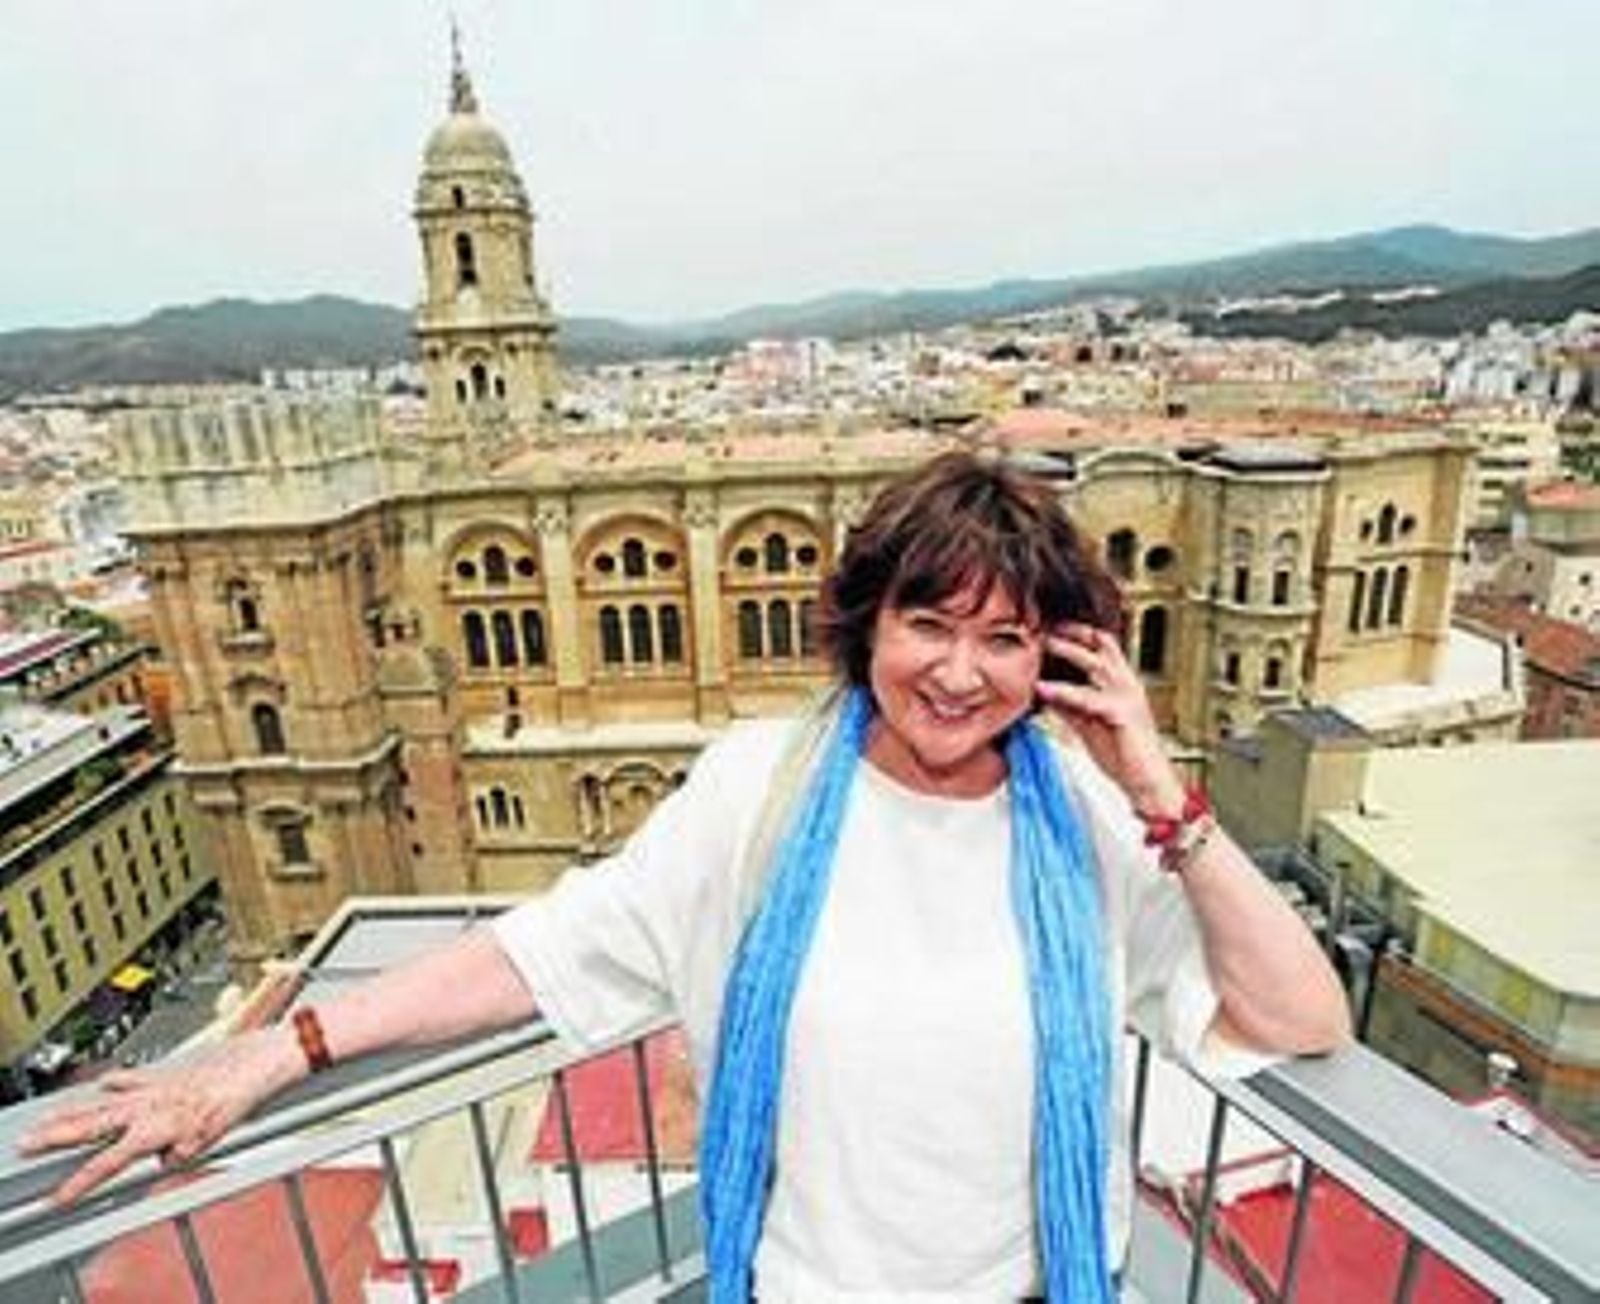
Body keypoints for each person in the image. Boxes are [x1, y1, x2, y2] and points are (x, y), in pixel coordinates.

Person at [20, 450, 1350, 1301]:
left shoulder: (1093, 826)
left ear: (1056, 659)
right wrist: (276, 1051)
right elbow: (536, 951)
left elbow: (1302, 1019)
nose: (958, 672)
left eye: (1005, 639)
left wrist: (1156, 782)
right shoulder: (753, 795)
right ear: (865, 626)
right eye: (927, 623)